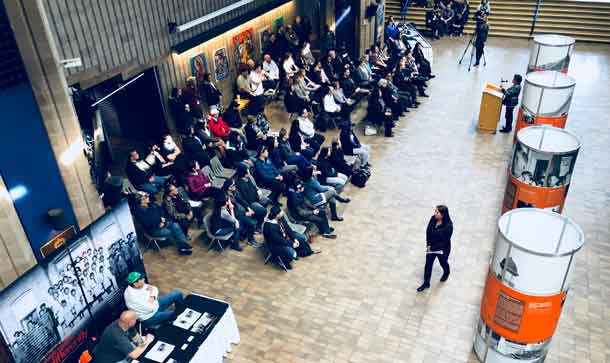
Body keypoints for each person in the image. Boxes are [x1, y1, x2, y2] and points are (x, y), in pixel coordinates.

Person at [263, 205, 319, 269]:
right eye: (281, 211)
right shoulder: (270, 227)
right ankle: (283, 261)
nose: (283, 211)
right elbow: (278, 240)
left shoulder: (280, 218)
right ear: (277, 215)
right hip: (277, 244)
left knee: (302, 238)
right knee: (292, 253)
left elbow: (288, 229)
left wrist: (294, 238)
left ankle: (305, 251)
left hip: (286, 238)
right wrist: (291, 243)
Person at [417, 205, 454, 292]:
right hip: (431, 247)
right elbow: (428, 232)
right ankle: (426, 283)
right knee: (428, 265)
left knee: (443, 262)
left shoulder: (449, 226)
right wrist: (428, 245)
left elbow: (444, 241)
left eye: (437, 212)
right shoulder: (433, 219)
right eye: (435, 211)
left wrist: (432, 247)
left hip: (442, 249)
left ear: (443, 214)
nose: (435, 214)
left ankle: (446, 272)